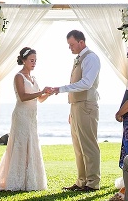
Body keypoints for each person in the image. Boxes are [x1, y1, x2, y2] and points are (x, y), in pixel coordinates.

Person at [0, 47, 49, 192]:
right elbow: (23, 97)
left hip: (32, 117)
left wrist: (47, 93)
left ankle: (30, 180)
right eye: (31, 60)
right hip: (21, 116)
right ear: (24, 61)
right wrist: (41, 91)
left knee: (31, 144)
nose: (34, 63)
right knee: (20, 145)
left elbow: (40, 99)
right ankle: (16, 179)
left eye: (35, 60)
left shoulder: (34, 78)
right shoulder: (19, 77)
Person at [44, 30, 101, 191]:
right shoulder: (79, 59)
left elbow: (86, 83)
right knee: (78, 146)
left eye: (72, 44)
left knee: (88, 145)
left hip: (86, 106)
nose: (70, 48)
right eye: (69, 45)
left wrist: (60, 89)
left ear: (81, 42)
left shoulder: (91, 58)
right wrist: (72, 110)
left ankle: (93, 182)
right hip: (76, 106)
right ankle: (81, 181)